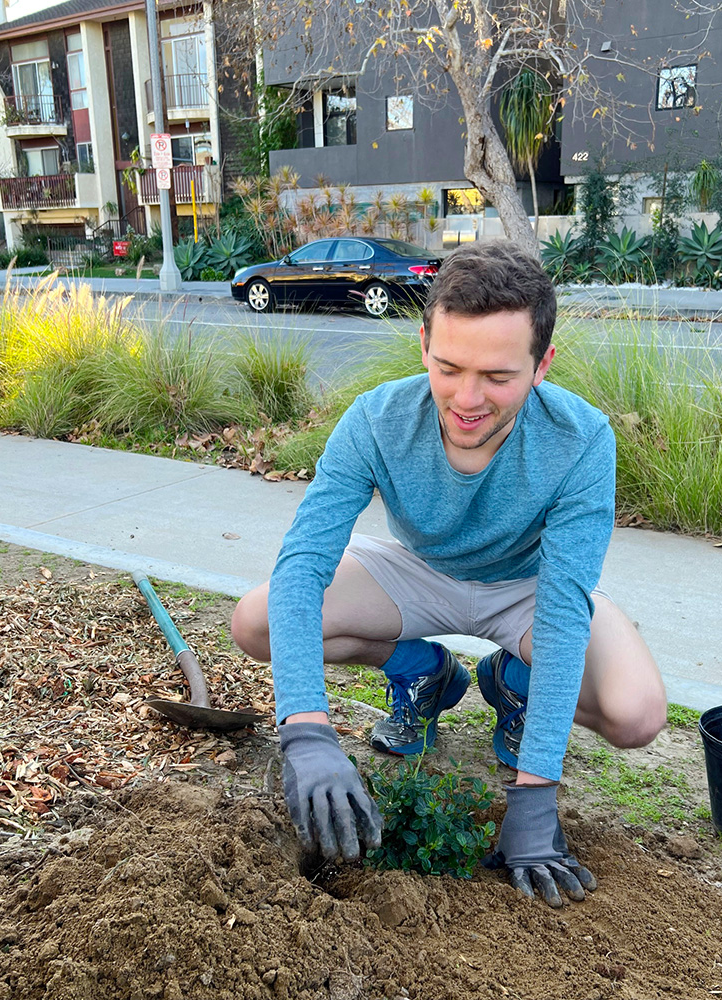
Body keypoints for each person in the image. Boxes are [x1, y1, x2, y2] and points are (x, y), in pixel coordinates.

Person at [231, 240, 667, 908]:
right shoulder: (376, 421)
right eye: (449, 367)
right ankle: (425, 674)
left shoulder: (582, 439)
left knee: (636, 714)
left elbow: (560, 608)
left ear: (541, 365)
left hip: (530, 589)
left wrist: (536, 791)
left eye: (498, 376)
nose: (467, 399)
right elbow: (303, 567)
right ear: (424, 346)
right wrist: (307, 730)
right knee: (256, 622)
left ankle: (509, 684)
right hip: (415, 574)